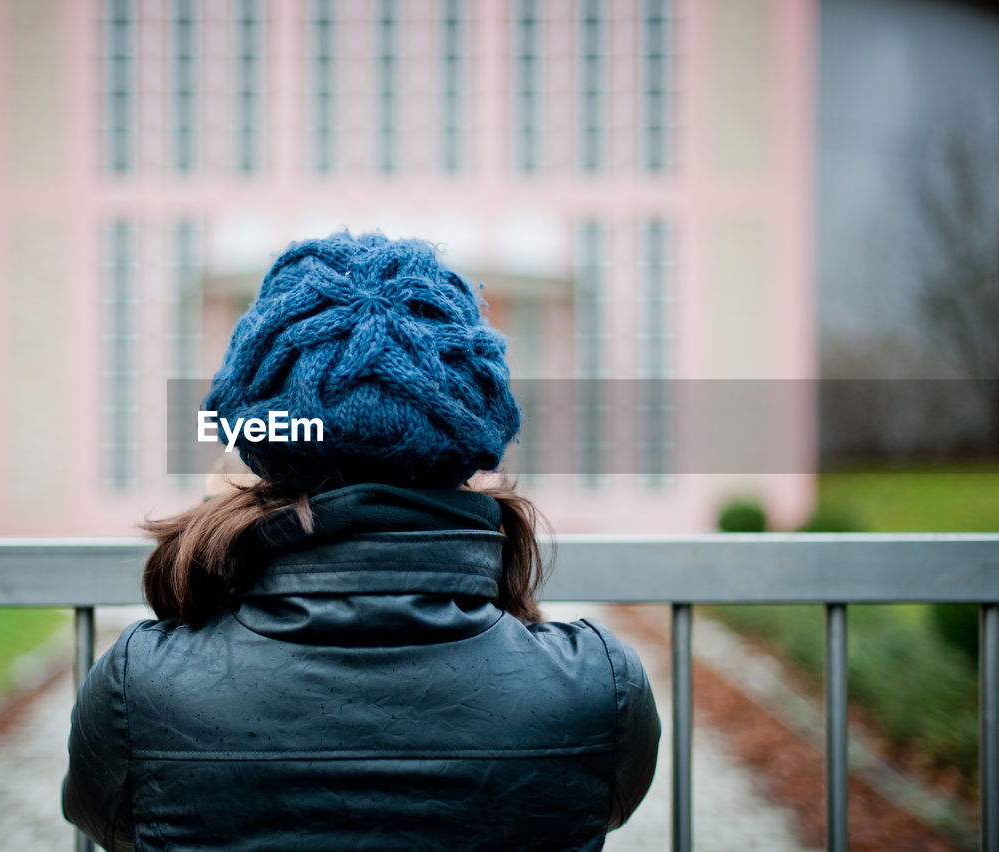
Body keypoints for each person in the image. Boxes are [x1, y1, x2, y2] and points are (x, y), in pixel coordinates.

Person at [63, 232, 660, 851]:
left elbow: (106, 819)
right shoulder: (598, 688)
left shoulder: (141, 687)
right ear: (470, 439)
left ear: (255, 445)